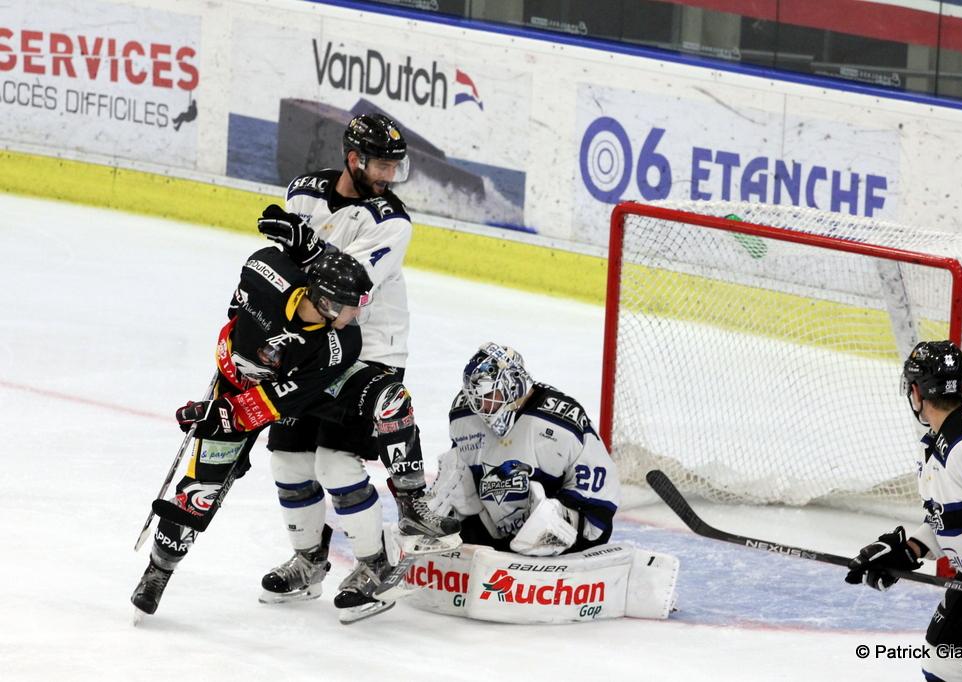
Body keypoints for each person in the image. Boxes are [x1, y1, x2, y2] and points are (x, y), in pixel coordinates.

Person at [255, 113, 458, 622]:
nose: (390, 176)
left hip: (371, 352)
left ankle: (376, 565)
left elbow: (347, 286)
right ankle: (309, 560)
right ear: (353, 159)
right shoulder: (304, 192)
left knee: (336, 463)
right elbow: (292, 279)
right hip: (313, 348)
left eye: (395, 167)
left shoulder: (392, 221)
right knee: (288, 460)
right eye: (382, 166)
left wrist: (302, 243)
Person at [131, 247, 371, 615]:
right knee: (201, 489)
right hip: (235, 384)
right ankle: (158, 571)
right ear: (326, 302)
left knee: (308, 456)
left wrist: (223, 415)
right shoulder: (265, 270)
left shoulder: (343, 343)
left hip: (292, 398)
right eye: (352, 305)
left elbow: (280, 399)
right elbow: (237, 311)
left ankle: (362, 552)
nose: (358, 314)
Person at [845, 340, 962, 682]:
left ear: (916, 392)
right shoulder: (941, 440)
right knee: (941, 666)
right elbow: (961, 518)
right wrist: (910, 550)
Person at [428, 342, 620, 556]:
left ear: (513, 385)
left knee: (547, 515)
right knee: (451, 479)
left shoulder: (561, 421)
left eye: (490, 396)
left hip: (565, 541)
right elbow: (461, 473)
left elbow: (601, 496)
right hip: (497, 534)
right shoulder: (465, 415)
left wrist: (561, 516)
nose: (483, 408)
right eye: (476, 400)